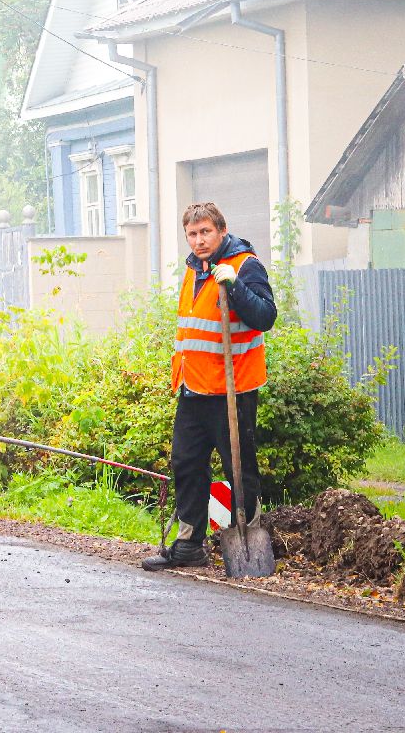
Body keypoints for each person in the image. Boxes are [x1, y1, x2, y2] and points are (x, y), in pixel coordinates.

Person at [143, 202, 277, 571]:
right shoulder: (194, 269)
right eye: (192, 234)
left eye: (205, 232)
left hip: (231, 390)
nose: (199, 240)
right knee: (186, 463)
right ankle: (189, 545)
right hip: (193, 387)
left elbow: (265, 316)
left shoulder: (244, 266)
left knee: (239, 468)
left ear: (221, 231)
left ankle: (248, 535)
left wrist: (234, 288)